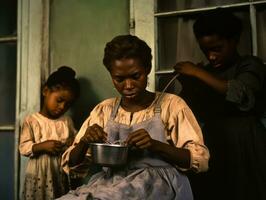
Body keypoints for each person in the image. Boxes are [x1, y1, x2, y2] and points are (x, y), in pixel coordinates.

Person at [57, 35, 209, 200]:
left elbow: (199, 161)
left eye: (136, 76)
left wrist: (155, 145)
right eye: (119, 79)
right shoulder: (104, 110)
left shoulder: (171, 105)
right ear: (111, 75)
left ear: (148, 68)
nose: (128, 86)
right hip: (112, 184)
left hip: (158, 186)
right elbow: (72, 165)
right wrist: (85, 142)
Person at [173, 9, 266, 200]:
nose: (212, 56)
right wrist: (190, 84)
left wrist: (197, 74)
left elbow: (240, 93)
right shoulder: (205, 72)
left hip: (246, 141)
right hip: (213, 141)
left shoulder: (250, 65)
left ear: (235, 40)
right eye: (206, 50)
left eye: (217, 48)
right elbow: (188, 110)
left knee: (248, 190)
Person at [19, 66, 80, 200]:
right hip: (38, 175)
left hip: (58, 173)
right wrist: (42, 146)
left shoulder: (67, 121)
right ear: (45, 91)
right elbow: (23, 148)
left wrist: (71, 143)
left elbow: (76, 141)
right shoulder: (32, 121)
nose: (62, 107)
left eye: (68, 104)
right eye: (59, 100)